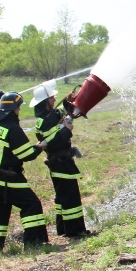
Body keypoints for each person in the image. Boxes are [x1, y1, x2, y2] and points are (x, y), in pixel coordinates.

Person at [0, 92, 49, 256]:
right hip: (10, 178)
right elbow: (26, 154)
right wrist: (40, 147)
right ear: (13, 110)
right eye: (18, 108)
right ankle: (34, 243)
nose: (19, 111)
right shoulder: (13, 130)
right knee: (31, 204)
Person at [31, 81, 89, 237]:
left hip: (60, 161)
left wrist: (66, 101)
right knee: (70, 196)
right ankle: (75, 231)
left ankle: (63, 228)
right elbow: (54, 140)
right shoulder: (45, 120)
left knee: (62, 196)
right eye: (51, 98)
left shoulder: (46, 116)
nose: (53, 99)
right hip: (60, 162)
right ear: (45, 102)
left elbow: (58, 116)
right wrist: (68, 131)